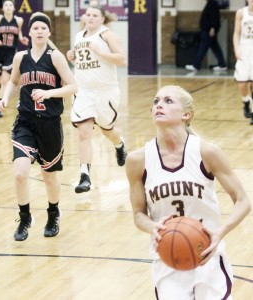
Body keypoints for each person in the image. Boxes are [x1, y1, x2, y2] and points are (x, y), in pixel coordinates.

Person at [126, 85, 251, 299]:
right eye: (156, 101)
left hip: (208, 255)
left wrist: (220, 233)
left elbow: (243, 200)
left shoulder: (206, 152)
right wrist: (153, 227)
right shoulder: (138, 160)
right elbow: (138, 214)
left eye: (168, 101)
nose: (159, 105)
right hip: (167, 258)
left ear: (186, 114)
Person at [0, 12, 78, 241]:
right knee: (20, 174)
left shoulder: (56, 57)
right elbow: (13, 81)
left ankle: (53, 213)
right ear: (30, 32)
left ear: (48, 32)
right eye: (36, 28)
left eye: (44, 28)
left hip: (50, 124)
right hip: (25, 121)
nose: (40, 31)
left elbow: (73, 86)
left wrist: (49, 92)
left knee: (49, 176)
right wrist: (4, 98)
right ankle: (25, 218)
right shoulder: (20, 58)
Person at [67, 4, 127, 194]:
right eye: (88, 14)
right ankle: (84, 176)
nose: (90, 18)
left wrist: (100, 52)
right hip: (83, 90)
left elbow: (122, 60)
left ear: (102, 19)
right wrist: (72, 57)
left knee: (107, 130)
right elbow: (82, 59)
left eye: (95, 15)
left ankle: (120, 144)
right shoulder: (79, 36)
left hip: (105, 91)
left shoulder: (107, 35)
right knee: (84, 133)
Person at [0, 0, 29, 118]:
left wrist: (22, 39)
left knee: (5, 80)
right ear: (2, 8)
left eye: (10, 5)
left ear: (13, 8)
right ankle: (2, 90)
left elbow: (19, 33)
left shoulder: (19, 20)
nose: (8, 7)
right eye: (5, 5)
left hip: (11, 53)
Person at [185, 0, 227, 72]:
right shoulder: (210, 3)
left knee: (203, 47)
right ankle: (222, 64)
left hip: (208, 30)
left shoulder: (212, 3)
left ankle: (196, 65)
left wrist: (212, 28)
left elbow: (214, 16)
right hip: (208, 30)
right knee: (215, 48)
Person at [233, 0, 253, 124]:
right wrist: (236, 49)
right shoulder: (241, 13)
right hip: (244, 52)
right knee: (242, 84)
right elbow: (236, 33)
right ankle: (246, 103)